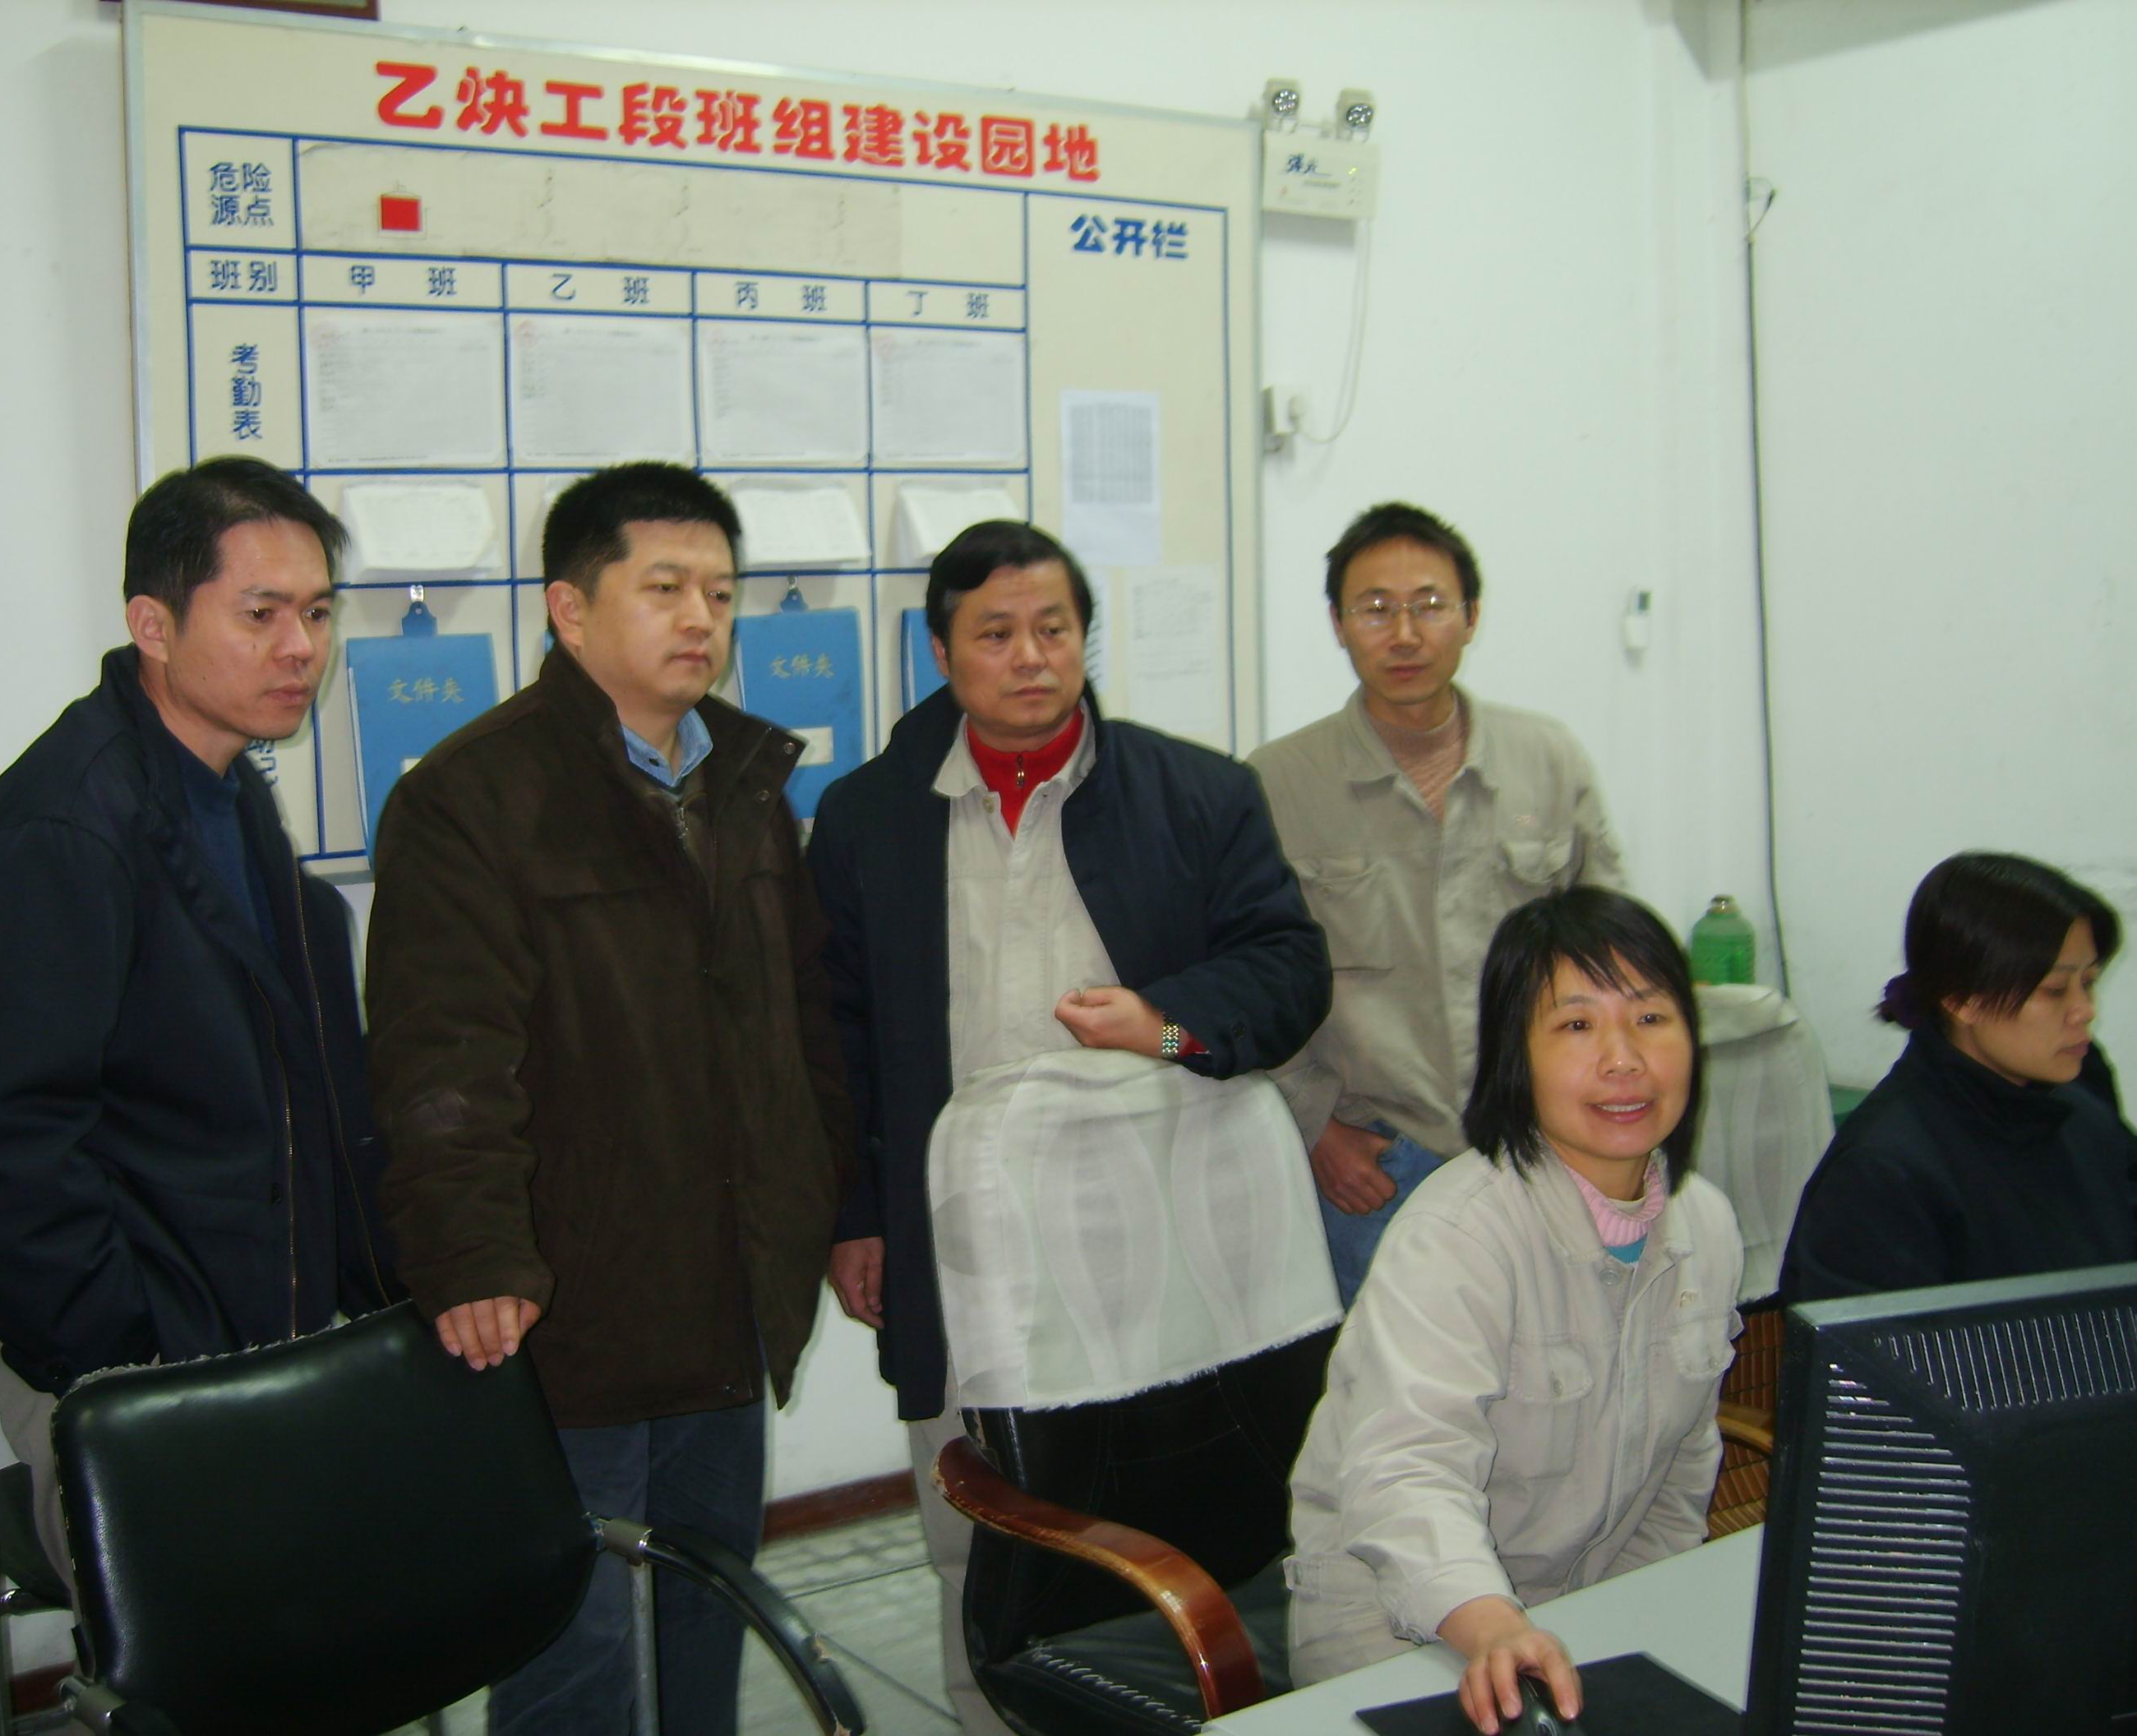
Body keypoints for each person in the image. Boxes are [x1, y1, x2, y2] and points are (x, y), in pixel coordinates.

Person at [807, 520, 1331, 1733]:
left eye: (1054, 628)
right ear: (941, 650)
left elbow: (1288, 968)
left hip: (1163, 1243)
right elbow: (832, 1038)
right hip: (962, 1249)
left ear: (1085, 639)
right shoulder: (867, 818)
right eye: (994, 633)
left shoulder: (1197, 793)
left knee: (1177, 1525)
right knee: (981, 1540)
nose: (1030, 656)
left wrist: (1163, 1022)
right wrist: (854, 1217)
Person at [364, 462, 852, 1736]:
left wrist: (833, 1207)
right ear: (570, 610)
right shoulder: (472, 796)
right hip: (564, 1309)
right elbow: (442, 1055)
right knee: (572, 1657)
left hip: (727, 1291)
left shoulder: (743, 783)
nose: (703, 618)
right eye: (666, 587)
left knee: (706, 1617)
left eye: (722, 593)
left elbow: (803, 1021)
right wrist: (474, 1253)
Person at [0, 457, 396, 1584]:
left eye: (317, 612)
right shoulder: (64, 828)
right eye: (261, 614)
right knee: (215, 1655)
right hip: (143, 1376)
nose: (301, 648)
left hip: (259, 1345)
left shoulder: (228, 795)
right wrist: (124, 1359)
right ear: (154, 625)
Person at [1285, 887, 1741, 1734]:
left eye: (1650, 1018)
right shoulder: (1458, 1234)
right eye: (1576, 1025)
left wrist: (1638, 1625)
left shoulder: (1706, 1224)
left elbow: (1681, 1471)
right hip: (1405, 1623)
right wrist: (1494, 1626)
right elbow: (1405, 1472)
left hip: (1581, 1615)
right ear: (1514, 1057)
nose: (1623, 1059)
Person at [1249, 502, 1623, 1305]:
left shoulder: (1546, 760)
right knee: (1384, 1379)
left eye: (1428, 605)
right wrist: (1312, 1124)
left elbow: (1615, 962)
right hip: (1375, 1163)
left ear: (1470, 616)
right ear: (1337, 624)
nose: (1404, 634)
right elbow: (1240, 981)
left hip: (1542, 1145)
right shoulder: (1278, 782)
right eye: (1374, 609)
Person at [1781, 852, 2137, 1302]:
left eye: (2089, 982)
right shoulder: (1882, 1173)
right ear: (1961, 1001)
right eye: (2055, 990)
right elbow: (1875, 1344)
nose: (2084, 1011)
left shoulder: (2081, 1113)